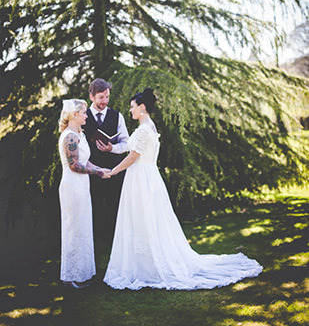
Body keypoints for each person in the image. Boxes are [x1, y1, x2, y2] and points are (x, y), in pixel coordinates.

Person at [103, 88, 263, 290]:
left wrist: (114, 171)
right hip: (145, 176)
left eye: (133, 107)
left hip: (141, 178)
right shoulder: (148, 126)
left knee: (145, 219)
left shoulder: (144, 130)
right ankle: (144, 263)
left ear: (142, 107)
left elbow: (133, 156)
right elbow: (130, 149)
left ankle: (150, 267)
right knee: (144, 219)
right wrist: (112, 148)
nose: (130, 110)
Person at [58, 99, 110, 288]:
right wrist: (97, 173)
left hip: (82, 186)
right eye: (84, 113)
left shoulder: (80, 134)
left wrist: (101, 169)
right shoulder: (69, 137)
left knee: (82, 227)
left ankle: (81, 274)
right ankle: (70, 276)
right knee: (73, 229)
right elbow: (74, 166)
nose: (87, 116)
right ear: (74, 115)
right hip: (72, 186)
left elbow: (85, 163)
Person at [82, 79, 129, 260]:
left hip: (114, 172)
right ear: (92, 96)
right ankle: (93, 256)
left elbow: (126, 143)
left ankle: (117, 256)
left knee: (115, 211)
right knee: (94, 212)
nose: (105, 101)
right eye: (101, 97)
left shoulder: (117, 116)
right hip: (91, 173)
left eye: (107, 97)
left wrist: (113, 148)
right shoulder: (83, 116)